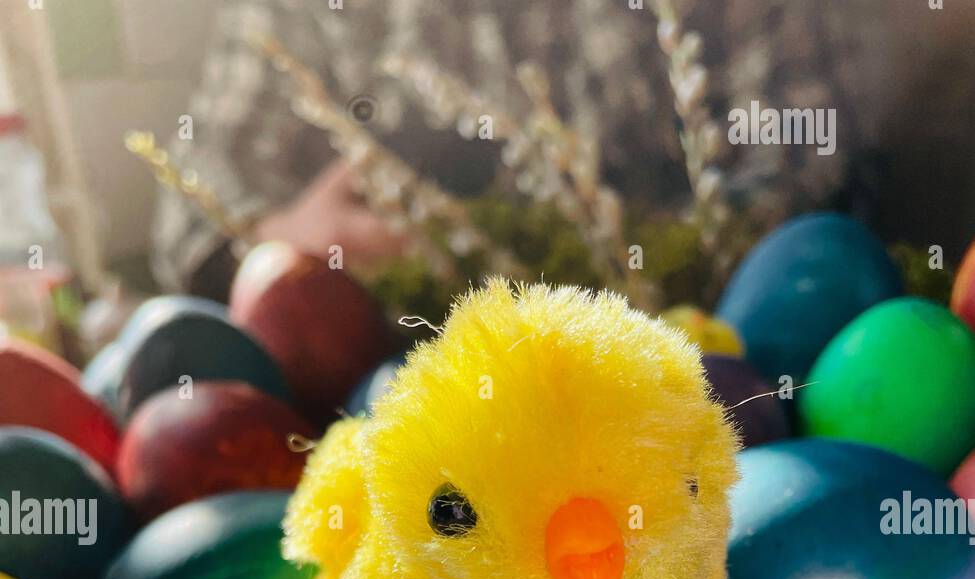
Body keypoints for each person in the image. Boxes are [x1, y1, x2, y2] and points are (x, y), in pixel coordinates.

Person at [151, 0, 975, 300]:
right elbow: (194, 184)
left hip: (687, 368)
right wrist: (274, 244)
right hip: (389, 369)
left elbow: (802, 183)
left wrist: (596, 256)